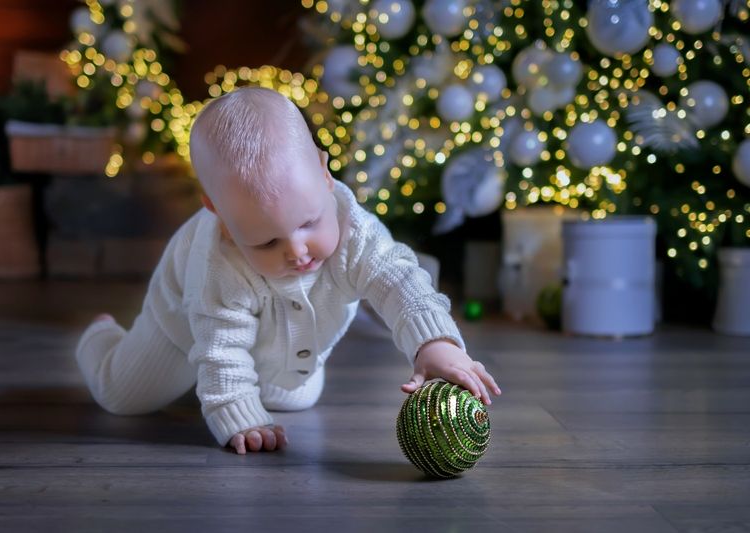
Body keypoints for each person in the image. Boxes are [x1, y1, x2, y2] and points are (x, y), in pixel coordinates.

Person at [75, 87, 501, 455]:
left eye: (308, 223)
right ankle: (102, 336)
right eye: (266, 242)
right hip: (181, 327)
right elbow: (219, 349)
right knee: (122, 395)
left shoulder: (357, 233)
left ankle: (268, 365)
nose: (297, 252)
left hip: (282, 341)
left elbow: (400, 283)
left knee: (294, 399)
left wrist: (436, 344)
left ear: (323, 170)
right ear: (217, 213)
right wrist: (239, 417)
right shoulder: (218, 265)